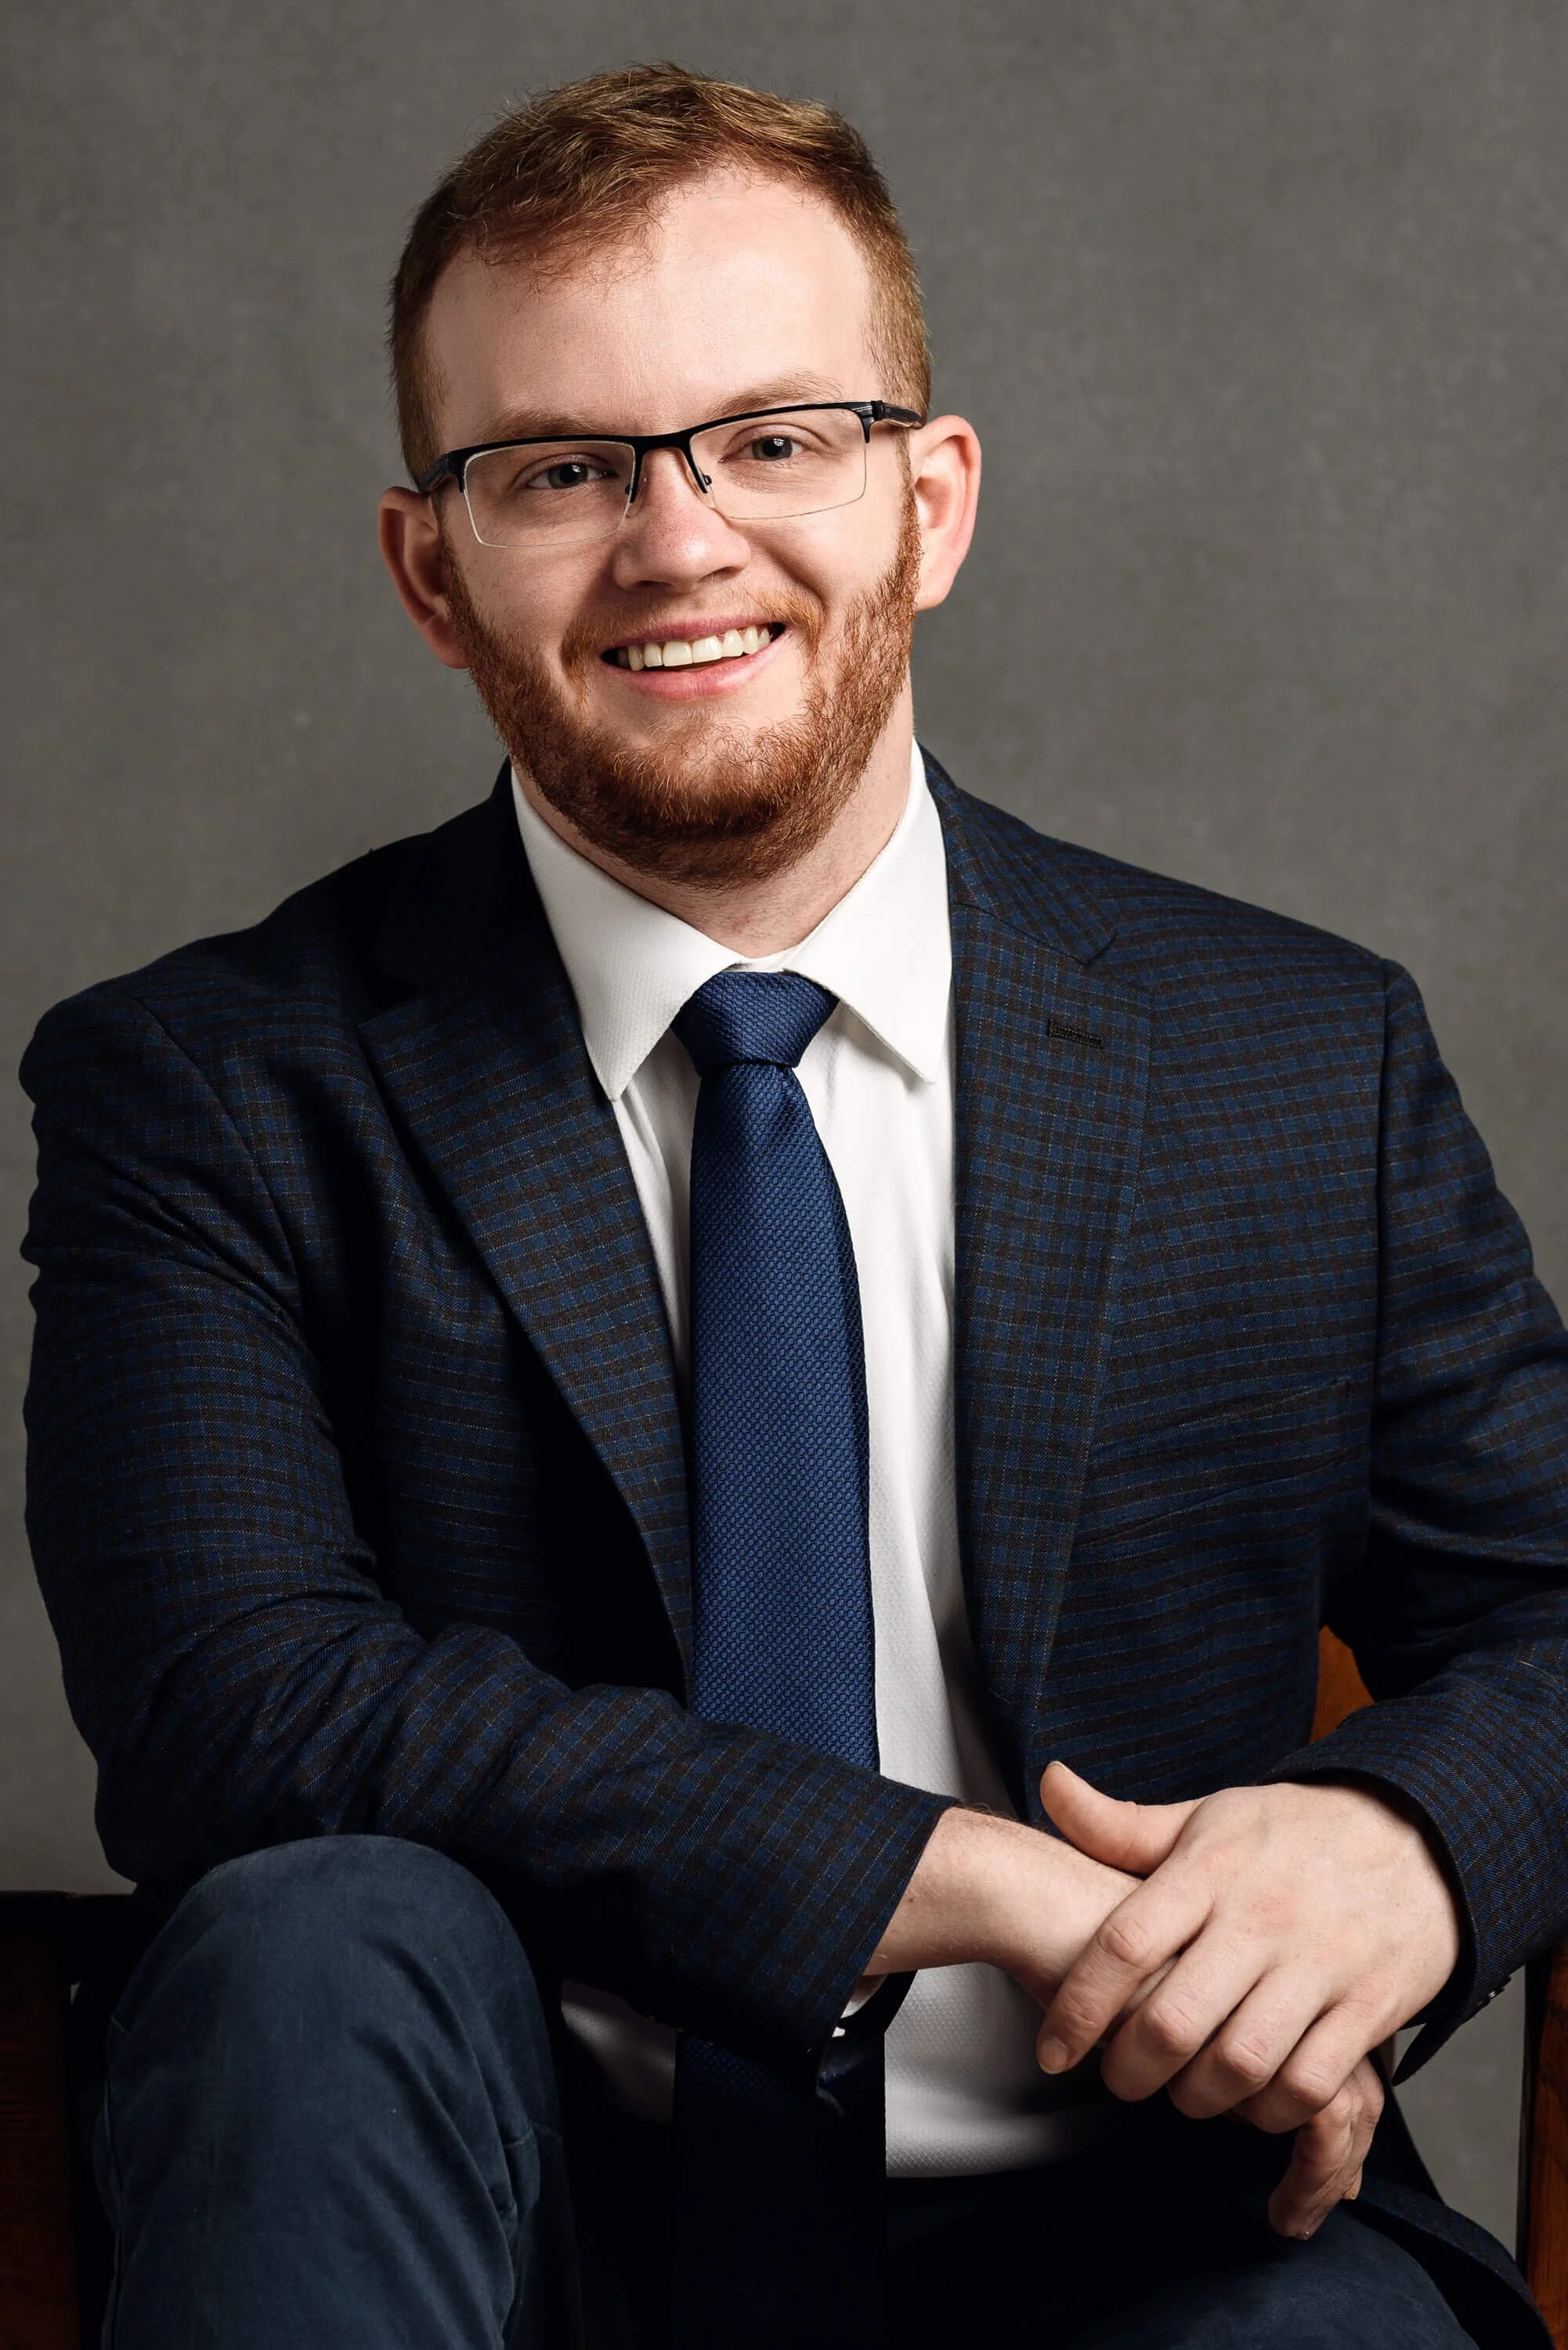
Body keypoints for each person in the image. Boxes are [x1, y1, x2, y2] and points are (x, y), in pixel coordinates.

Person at [20, 61, 1568, 2350]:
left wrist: (1402, 1853)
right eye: (558, 468)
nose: (676, 540)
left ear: (930, 502)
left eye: (774, 439)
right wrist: (973, 1886)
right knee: (302, 1934)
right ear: (430, 570)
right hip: (492, 2232)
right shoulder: (213, 1082)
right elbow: (231, 1703)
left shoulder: (1289, 1057)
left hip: (1138, 2228)